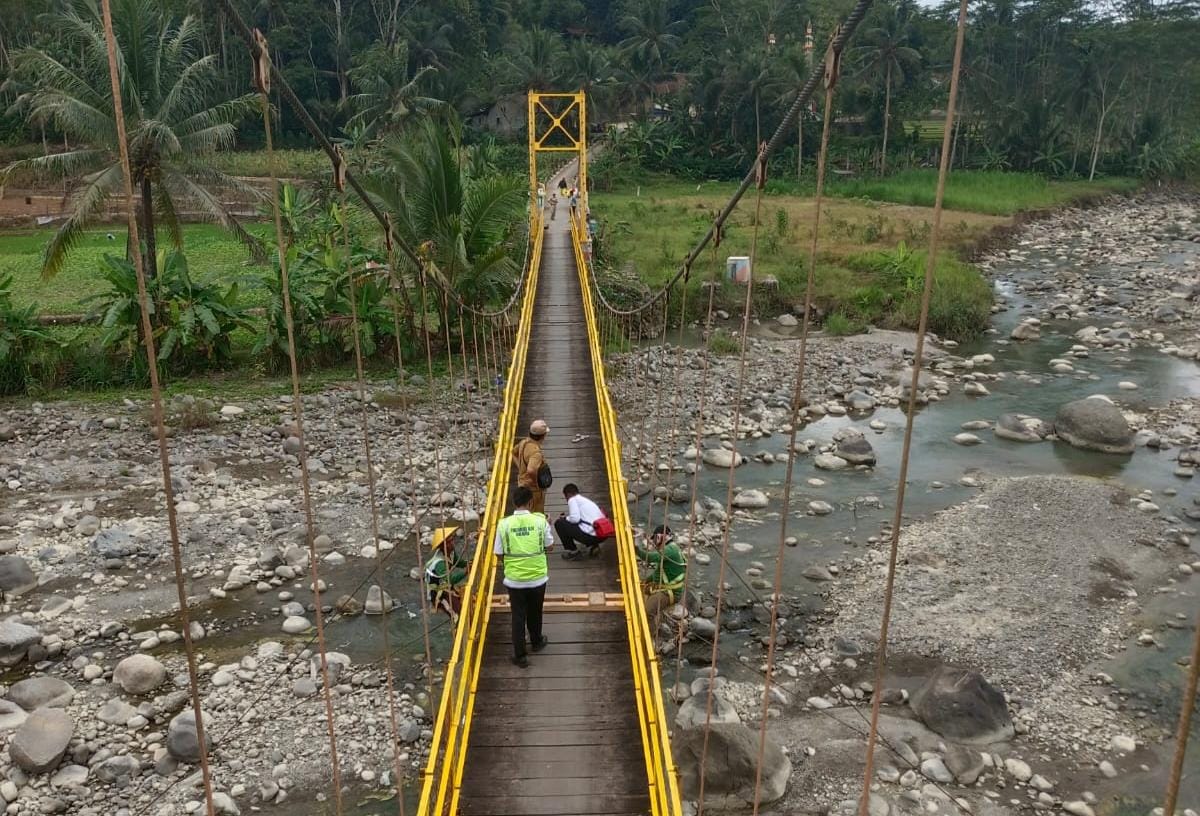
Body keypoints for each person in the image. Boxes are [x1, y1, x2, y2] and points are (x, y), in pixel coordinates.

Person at [494, 485, 553, 667]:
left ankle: (520, 656)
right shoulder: (540, 521)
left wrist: (510, 563)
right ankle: (536, 641)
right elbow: (550, 546)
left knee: (517, 615)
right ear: (531, 502)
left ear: (514, 503)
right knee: (535, 611)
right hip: (537, 576)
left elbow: (498, 552)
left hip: (514, 579)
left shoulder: (503, 524)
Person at [635, 525, 687, 620]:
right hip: (667, 588)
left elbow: (650, 558)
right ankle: (657, 614)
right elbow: (659, 572)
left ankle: (650, 632)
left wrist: (636, 550)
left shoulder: (670, 550)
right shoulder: (672, 548)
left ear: (660, 537)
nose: (654, 542)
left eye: (655, 538)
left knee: (647, 611)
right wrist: (645, 581)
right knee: (643, 591)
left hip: (670, 592)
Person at [424, 526, 470, 618]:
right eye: (449, 542)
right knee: (457, 614)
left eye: (452, 540)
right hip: (438, 593)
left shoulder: (450, 552)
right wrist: (466, 572)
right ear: (442, 545)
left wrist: (468, 563)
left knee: (463, 604)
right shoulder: (439, 563)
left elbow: (458, 562)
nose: (452, 543)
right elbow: (450, 579)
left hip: (446, 586)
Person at [554, 483, 605, 560]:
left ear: (568, 494)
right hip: (601, 535)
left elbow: (575, 519)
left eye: (566, 498)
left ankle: (573, 551)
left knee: (559, 523)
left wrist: (565, 519)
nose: (567, 500)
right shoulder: (586, 501)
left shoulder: (572, 499)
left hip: (591, 536)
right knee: (584, 524)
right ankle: (594, 546)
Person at [511, 419, 549, 514]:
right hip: (533, 490)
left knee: (526, 512)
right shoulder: (535, 452)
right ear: (543, 436)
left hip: (522, 484)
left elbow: (513, 453)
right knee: (537, 514)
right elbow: (531, 470)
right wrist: (536, 483)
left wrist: (520, 468)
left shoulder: (524, 443)